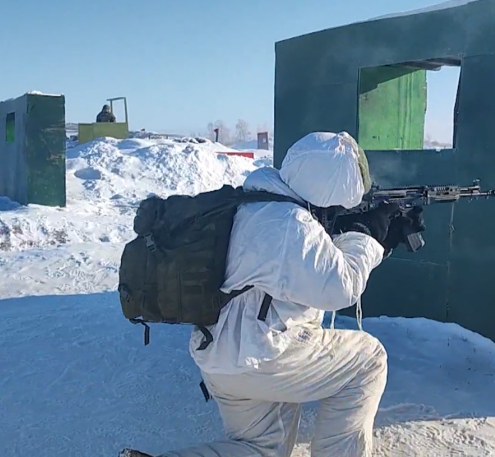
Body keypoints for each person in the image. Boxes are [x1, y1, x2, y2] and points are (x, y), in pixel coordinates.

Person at [123, 131, 425, 457]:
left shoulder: (255, 204)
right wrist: (367, 236)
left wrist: (362, 234)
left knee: (261, 449)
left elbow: (302, 263)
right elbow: (341, 287)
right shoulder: (289, 224)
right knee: (368, 360)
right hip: (261, 356)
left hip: (222, 358)